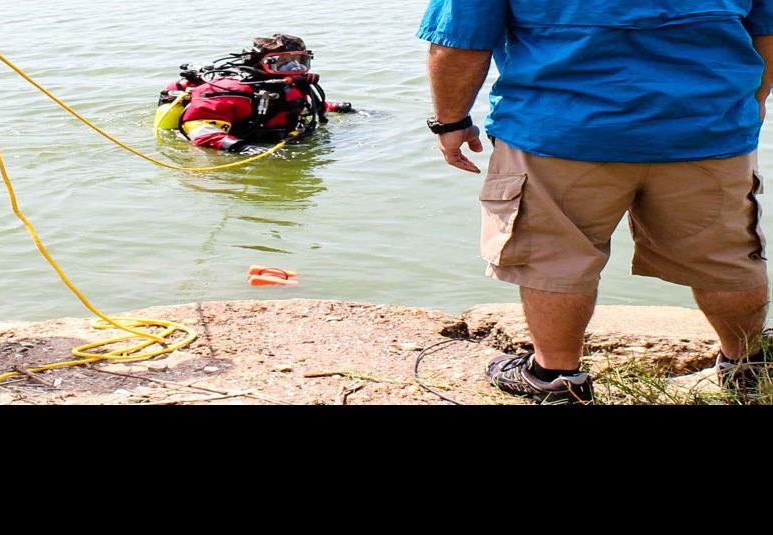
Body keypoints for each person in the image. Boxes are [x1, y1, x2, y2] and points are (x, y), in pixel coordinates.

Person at [419, 1, 773, 404]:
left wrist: (451, 121)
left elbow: (459, 42)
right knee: (723, 255)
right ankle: (746, 369)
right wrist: (752, 103)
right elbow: (766, 29)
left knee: (554, 259)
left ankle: (555, 377)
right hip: (707, 130)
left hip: (559, 133)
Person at [158, 34, 353, 156]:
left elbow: (298, 105)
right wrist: (240, 148)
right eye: (281, 63)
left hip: (274, 138)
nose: (294, 68)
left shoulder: (293, 85)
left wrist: (334, 107)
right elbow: (198, 128)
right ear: (259, 63)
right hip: (232, 142)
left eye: (300, 61)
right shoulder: (229, 92)